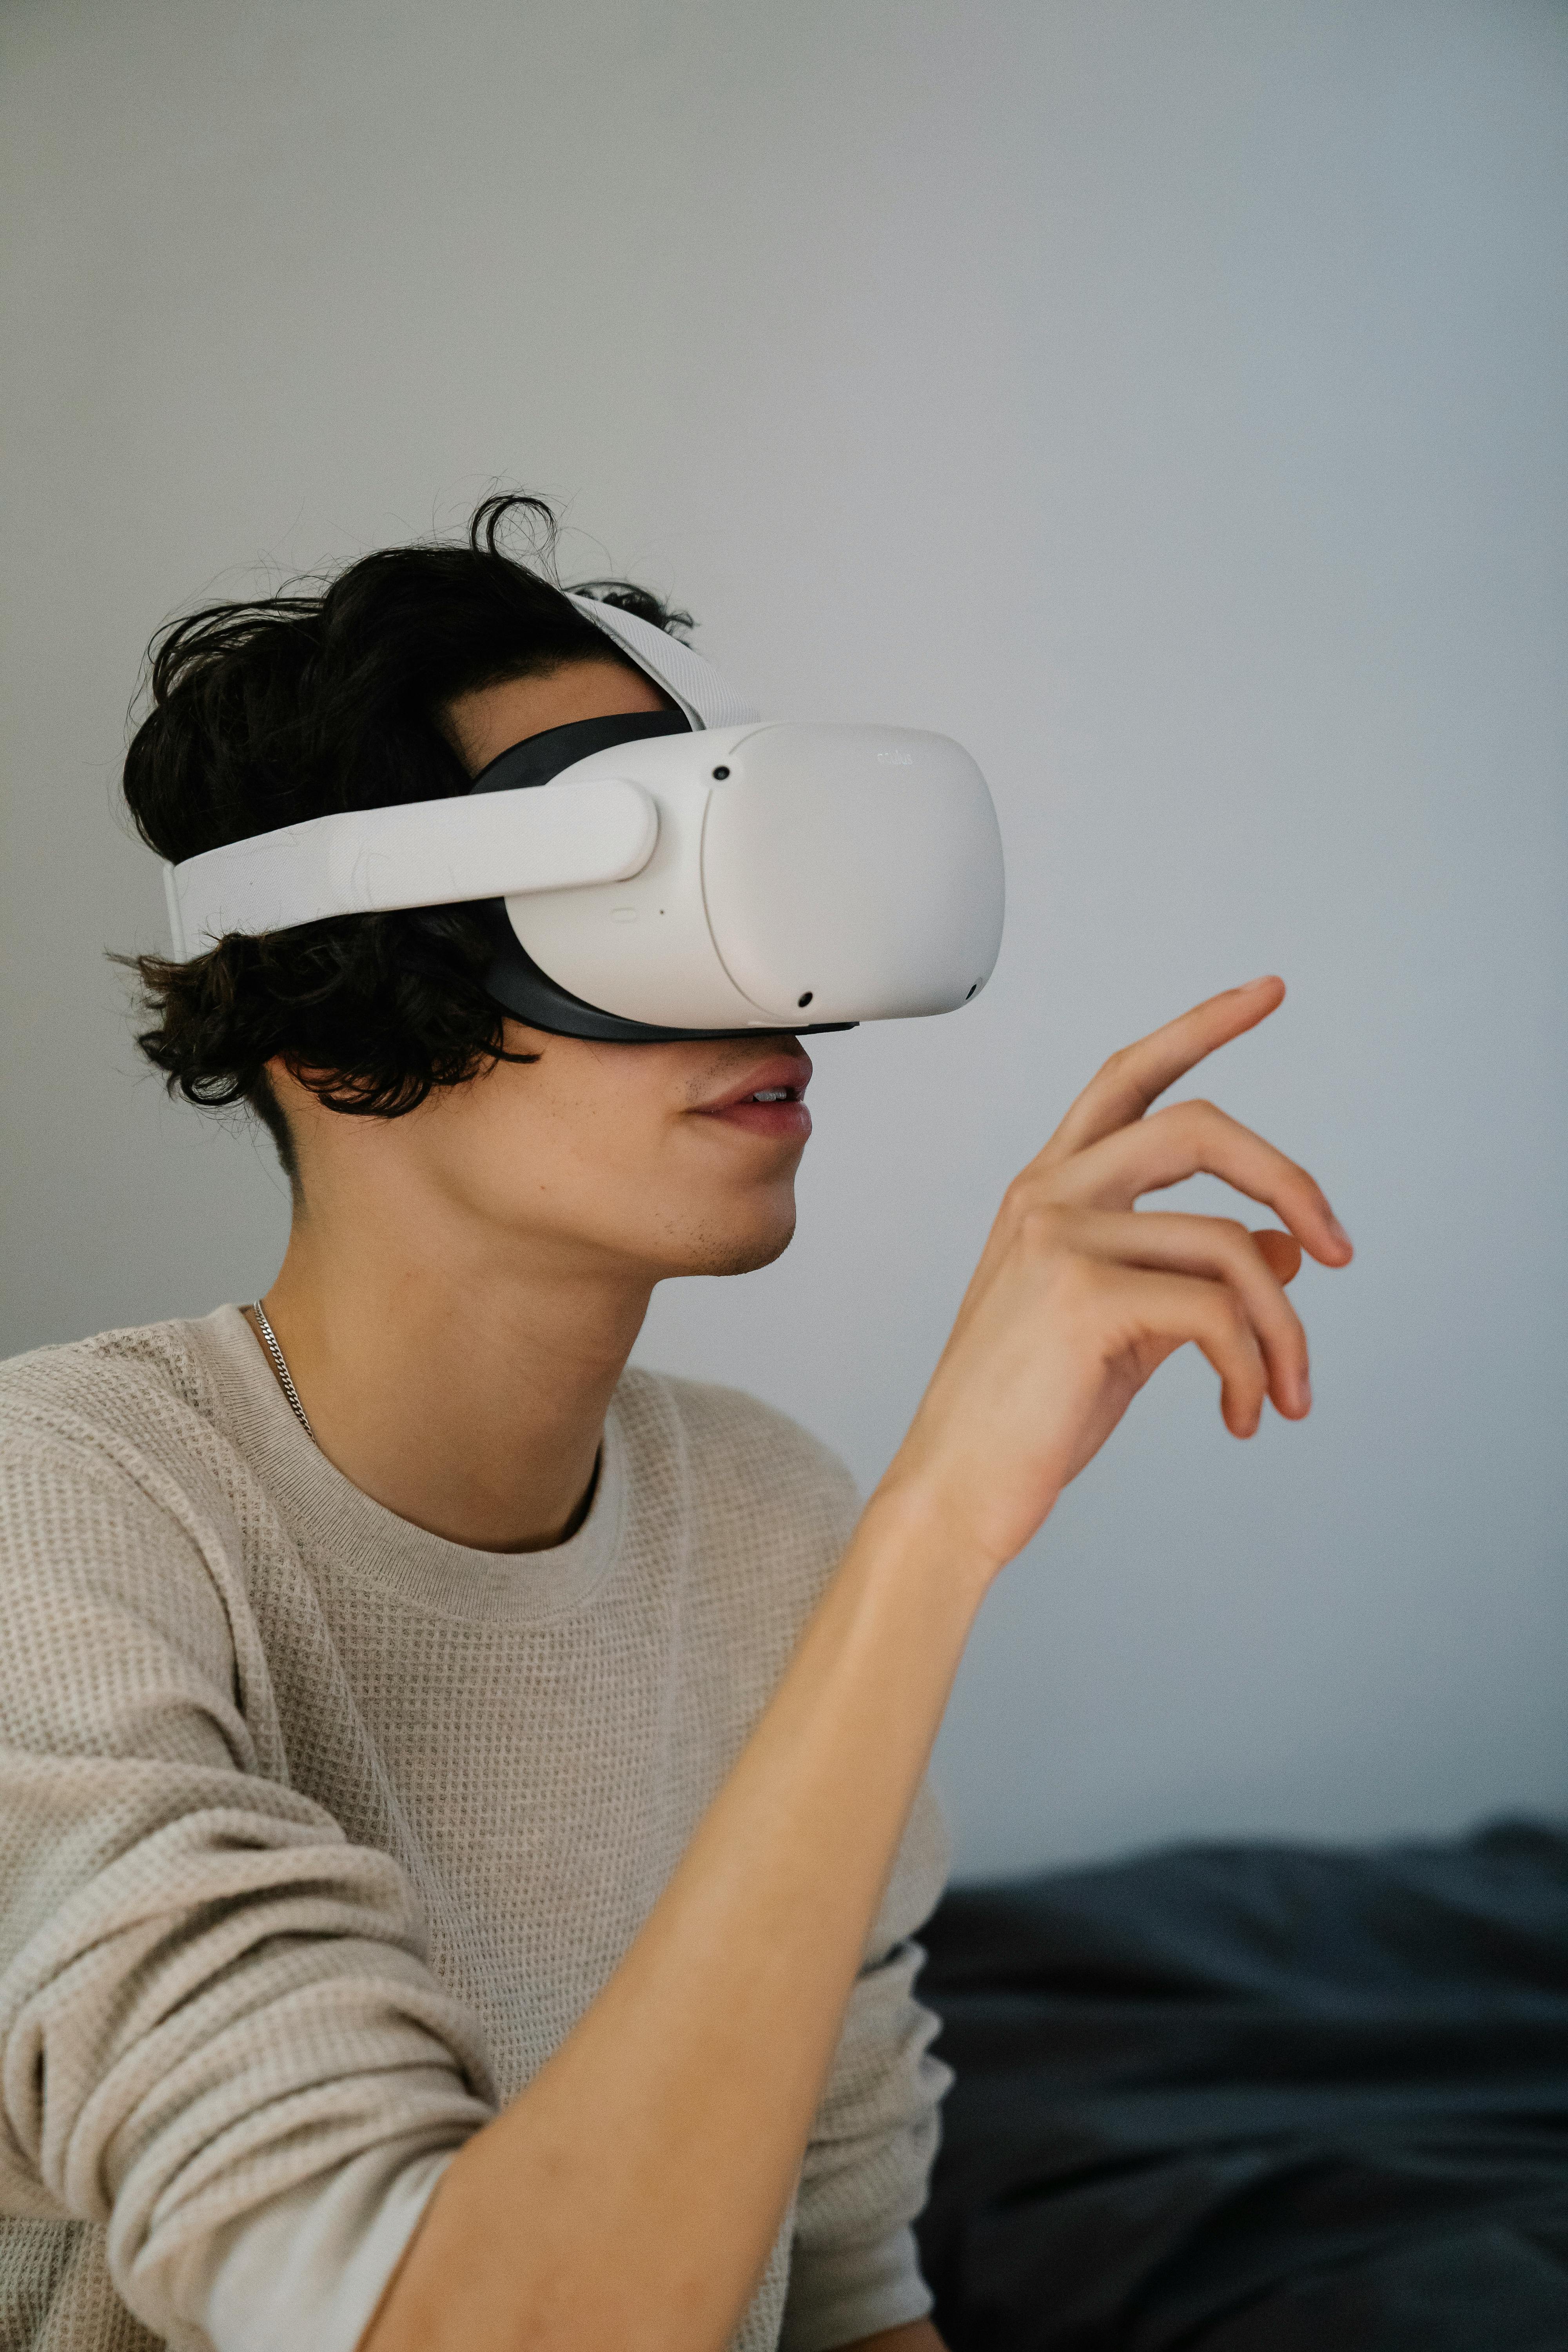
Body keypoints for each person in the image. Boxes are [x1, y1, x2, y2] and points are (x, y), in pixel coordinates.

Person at [0, 497, 1352, 2352]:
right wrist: (938, 1527)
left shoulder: (764, 1514)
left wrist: (879, 1540)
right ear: (329, 1012)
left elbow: (850, 2288)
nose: (770, 996)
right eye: (636, 903)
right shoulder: (66, 1520)